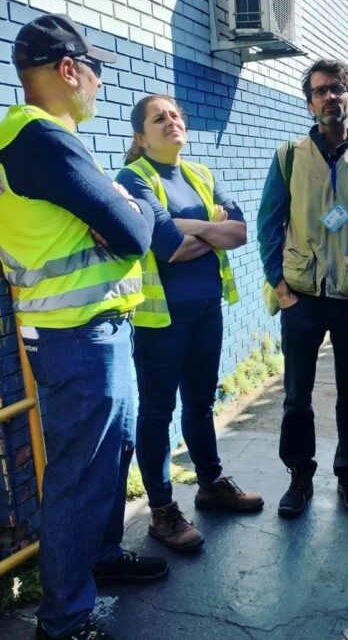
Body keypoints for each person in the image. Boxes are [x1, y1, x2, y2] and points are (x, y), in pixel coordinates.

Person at [0, 13, 166, 640]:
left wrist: (122, 208)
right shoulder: (39, 138)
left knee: (111, 453)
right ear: (69, 70)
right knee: (77, 474)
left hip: (95, 330)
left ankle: (100, 556)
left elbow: (119, 227)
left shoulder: (47, 138)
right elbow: (133, 234)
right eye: (94, 70)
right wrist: (136, 203)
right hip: (74, 336)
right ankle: (64, 620)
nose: (99, 82)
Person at [258, 58, 348, 519]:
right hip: (301, 296)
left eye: (337, 88)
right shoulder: (289, 157)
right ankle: (299, 477)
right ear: (310, 103)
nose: (329, 97)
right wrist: (280, 286)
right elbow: (268, 226)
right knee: (296, 397)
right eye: (320, 91)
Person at [116, 95, 263, 553]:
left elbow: (240, 232)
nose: (171, 121)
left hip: (206, 311)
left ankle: (211, 485)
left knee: (200, 403)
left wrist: (188, 226)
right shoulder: (134, 178)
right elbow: (168, 247)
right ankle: (162, 512)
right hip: (162, 320)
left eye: (176, 114)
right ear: (141, 137)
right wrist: (208, 227)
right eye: (159, 118)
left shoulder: (200, 174)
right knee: (157, 413)